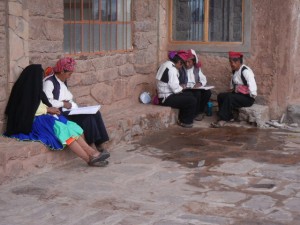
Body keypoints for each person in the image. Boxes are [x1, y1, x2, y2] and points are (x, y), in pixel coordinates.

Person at [4, 64, 109, 167]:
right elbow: (27, 110)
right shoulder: (25, 92)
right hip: (36, 121)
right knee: (64, 132)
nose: (41, 80)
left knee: (72, 127)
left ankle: (92, 154)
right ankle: (88, 159)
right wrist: (47, 109)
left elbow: (43, 103)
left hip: (46, 118)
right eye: (39, 78)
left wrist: (50, 109)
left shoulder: (35, 90)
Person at [43, 57, 110, 156]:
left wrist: (72, 105)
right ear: (62, 71)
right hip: (60, 113)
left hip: (70, 109)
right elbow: (47, 101)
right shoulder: (49, 82)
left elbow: (67, 97)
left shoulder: (62, 80)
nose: (70, 76)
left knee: (96, 113)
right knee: (88, 118)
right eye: (69, 74)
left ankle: (100, 143)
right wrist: (63, 104)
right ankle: (91, 147)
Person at [211, 51, 257, 128]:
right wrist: (232, 90)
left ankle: (223, 119)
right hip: (239, 95)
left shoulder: (245, 71)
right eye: (230, 62)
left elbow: (252, 85)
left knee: (230, 98)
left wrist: (251, 94)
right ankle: (229, 116)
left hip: (248, 98)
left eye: (234, 62)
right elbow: (233, 85)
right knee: (221, 96)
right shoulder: (235, 71)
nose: (232, 64)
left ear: (239, 61)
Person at [156, 51, 197, 128]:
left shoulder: (166, 64)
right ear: (179, 62)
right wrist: (183, 87)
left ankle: (183, 118)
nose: (181, 67)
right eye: (182, 64)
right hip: (166, 98)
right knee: (191, 100)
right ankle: (186, 122)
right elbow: (175, 89)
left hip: (164, 95)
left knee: (190, 94)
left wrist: (180, 87)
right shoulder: (172, 69)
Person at [178, 49, 212, 121]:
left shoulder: (197, 69)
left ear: (193, 62)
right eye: (186, 62)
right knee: (197, 93)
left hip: (195, 88)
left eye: (189, 62)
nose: (187, 64)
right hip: (184, 90)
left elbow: (203, 79)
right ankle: (194, 113)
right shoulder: (180, 68)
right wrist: (182, 85)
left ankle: (200, 111)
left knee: (208, 93)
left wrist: (199, 83)